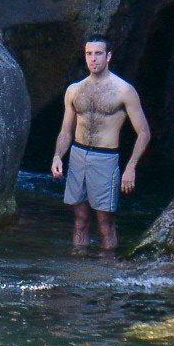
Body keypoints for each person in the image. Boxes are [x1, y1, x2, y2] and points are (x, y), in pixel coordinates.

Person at [51, 35, 151, 250]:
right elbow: (66, 131)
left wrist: (131, 167)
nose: (93, 58)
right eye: (89, 53)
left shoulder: (124, 90)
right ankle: (78, 265)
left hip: (105, 157)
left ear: (108, 56)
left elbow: (144, 132)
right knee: (80, 220)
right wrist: (58, 156)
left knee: (105, 223)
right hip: (78, 155)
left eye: (98, 53)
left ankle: (107, 266)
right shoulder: (74, 90)